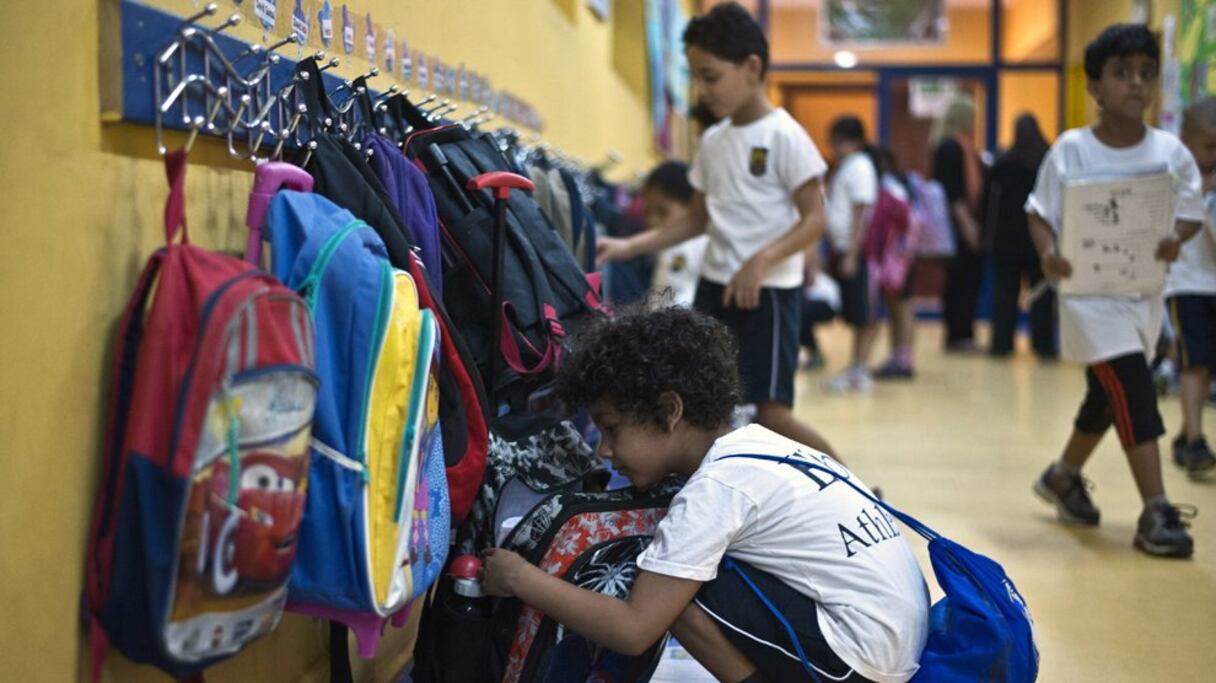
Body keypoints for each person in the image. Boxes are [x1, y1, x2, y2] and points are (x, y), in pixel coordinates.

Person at [482, 307, 930, 683]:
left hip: (862, 660)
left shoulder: (715, 488)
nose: (604, 449)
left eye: (612, 428)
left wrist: (521, 578)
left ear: (669, 411)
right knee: (683, 569)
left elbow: (635, 629)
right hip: (900, 640)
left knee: (666, 589)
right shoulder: (761, 445)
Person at [597, 2, 837, 457]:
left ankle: (854, 493)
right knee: (707, 409)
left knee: (770, 414)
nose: (701, 89)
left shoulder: (786, 136)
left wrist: (762, 259)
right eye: (694, 77)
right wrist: (630, 245)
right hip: (714, 288)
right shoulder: (712, 141)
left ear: (751, 67)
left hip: (767, 294)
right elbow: (695, 218)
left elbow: (816, 219)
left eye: (710, 76)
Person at [1028, 24, 1203, 558]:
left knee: (1108, 395)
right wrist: (1049, 253)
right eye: (1122, 73)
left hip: (1140, 295)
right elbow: (1038, 214)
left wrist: (1176, 237)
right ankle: (1156, 509)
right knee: (1132, 383)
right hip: (1085, 296)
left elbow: (1191, 212)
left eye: (1147, 74)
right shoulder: (1070, 151)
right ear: (1096, 88)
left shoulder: (1170, 154)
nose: (1137, 84)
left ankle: (1063, 475)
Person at [1166, 96, 1216, 479]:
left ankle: (1185, 434)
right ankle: (1197, 441)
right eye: (1209, 147)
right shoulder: (1179, 180)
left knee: (1207, 366)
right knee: (1194, 362)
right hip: (1188, 285)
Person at [986, 114, 1057, 358]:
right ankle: (1044, 345)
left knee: (1005, 296)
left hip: (1006, 242)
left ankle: (1001, 344)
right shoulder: (1047, 161)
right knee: (1042, 296)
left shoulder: (1003, 163)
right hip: (1038, 241)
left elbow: (989, 204)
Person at [823, 117, 880, 392]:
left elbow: (861, 211)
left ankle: (860, 368)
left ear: (855, 141)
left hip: (856, 250)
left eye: (839, 141)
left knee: (863, 313)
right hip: (843, 248)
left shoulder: (860, 166)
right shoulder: (845, 167)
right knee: (855, 312)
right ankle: (856, 366)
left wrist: (853, 253)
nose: (834, 147)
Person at [933, 97, 985, 352]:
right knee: (961, 280)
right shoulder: (950, 149)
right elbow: (953, 195)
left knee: (965, 279)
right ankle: (958, 334)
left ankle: (962, 331)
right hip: (956, 225)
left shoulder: (964, 148)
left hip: (964, 221)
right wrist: (968, 227)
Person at [868, 147, 920, 380]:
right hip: (899, 256)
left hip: (899, 257)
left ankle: (904, 359)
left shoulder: (891, 188)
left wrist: (899, 253)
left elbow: (906, 222)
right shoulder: (893, 185)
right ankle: (898, 356)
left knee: (902, 306)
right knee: (896, 306)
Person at [643, 161, 709, 308]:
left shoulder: (692, 245)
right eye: (648, 211)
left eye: (662, 212)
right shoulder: (664, 248)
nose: (652, 220)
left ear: (692, 209)